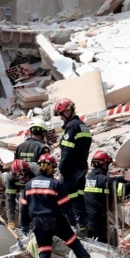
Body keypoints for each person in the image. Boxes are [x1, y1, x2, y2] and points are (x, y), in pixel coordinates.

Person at [20, 153, 95, 258]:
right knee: (73, 242)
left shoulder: (28, 185)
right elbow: (65, 207)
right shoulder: (55, 184)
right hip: (56, 220)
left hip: (38, 222)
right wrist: (72, 222)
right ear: (52, 167)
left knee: (44, 248)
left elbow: (23, 208)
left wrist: (24, 224)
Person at [84, 150, 130, 243]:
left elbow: (118, 178)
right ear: (104, 164)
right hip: (98, 218)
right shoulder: (104, 180)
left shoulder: (91, 177)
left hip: (89, 216)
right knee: (103, 243)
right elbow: (123, 190)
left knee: (95, 240)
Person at [53, 98, 92, 236]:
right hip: (82, 167)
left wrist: (61, 168)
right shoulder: (83, 126)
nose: (62, 119)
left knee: (66, 198)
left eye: (61, 115)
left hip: (71, 169)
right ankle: (83, 226)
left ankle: (71, 228)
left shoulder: (71, 127)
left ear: (67, 111)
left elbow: (67, 151)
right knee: (79, 197)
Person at [5, 120, 50, 228]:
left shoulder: (20, 147)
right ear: (43, 133)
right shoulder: (43, 148)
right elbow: (47, 171)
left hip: (26, 187)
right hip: (37, 187)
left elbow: (16, 164)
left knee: (24, 214)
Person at [5, 159, 40, 230]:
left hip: (38, 190)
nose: (22, 179)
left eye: (24, 177)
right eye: (20, 178)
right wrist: (11, 220)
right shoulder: (10, 178)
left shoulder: (36, 170)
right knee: (22, 209)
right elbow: (10, 199)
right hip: (23, 190)